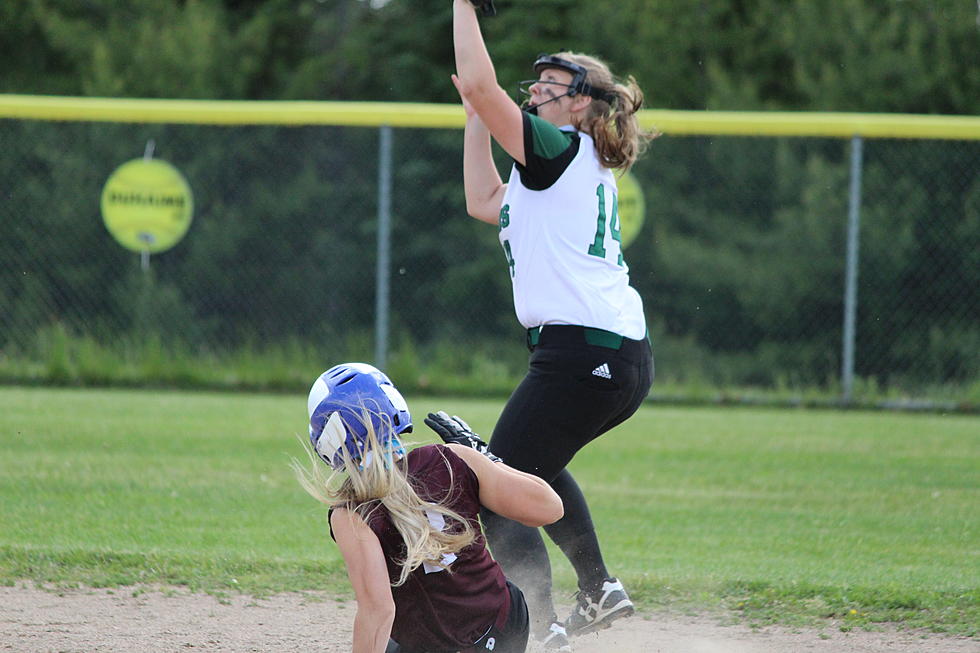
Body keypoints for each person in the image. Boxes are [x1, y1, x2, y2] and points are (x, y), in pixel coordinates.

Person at [448, 1, 656, 649]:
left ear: (583, 107)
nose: (536, 90)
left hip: (583, 349)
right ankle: (595, 586)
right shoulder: (555, 166)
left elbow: (482, 84)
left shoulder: (561, 149)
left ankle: (534, 625)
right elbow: (482, 201)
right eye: (533, 82)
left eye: (552, 85)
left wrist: (462, 6)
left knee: (500, 484)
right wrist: (475, 120)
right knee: (526, 467)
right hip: (607, 354)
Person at [295, 362, 564, 653]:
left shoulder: (351, 513)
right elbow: (550, 508)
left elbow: (378, 612)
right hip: (506, 625)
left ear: (329, 439)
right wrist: (483, 456)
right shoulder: (450, 458)